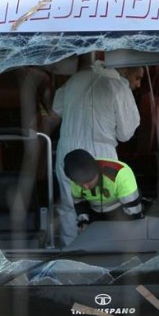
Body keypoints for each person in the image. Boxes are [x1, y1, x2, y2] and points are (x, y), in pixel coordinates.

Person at [53, 59, 142, 245]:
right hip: (100, 152)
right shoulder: (117, 86)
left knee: (71, 206)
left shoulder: (75, 79)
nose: (138, 84)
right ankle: (104, 252)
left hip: (67, 148)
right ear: (124, 70)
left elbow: (58, 108)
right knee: (105, 206)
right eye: (136, 77)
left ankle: (70, 256)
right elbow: (126, 133)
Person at [63, 149, 144, 232]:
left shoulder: (121, 176)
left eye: (89, 181)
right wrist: (83, 222)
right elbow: (79, 203)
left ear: (97, 172)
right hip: (94, 213)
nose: (85, 187)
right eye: (80, 183)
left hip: (120, 211)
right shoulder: (75, 179)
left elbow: (134, 215)